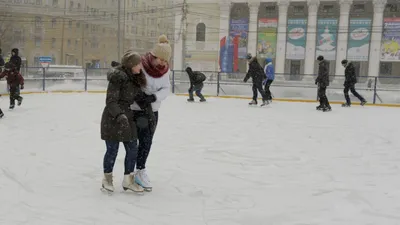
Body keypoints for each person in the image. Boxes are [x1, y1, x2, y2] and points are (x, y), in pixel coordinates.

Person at [100, 51, 148, 193]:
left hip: (127, 117)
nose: (141, 66)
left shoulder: (134, 78)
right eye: (139, 64)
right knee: (112, 150)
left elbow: (138, 97)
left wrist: (148, 104)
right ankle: (107, 179)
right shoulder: (118, 78)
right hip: (112, 118)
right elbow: (110, 101)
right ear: (132, 65)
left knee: (132, 148)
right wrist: (119, 115)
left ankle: (128, 181)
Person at [130, 35, 172, 192]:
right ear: (154, 56)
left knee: (147, 142)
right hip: (137, 109)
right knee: (133, 142)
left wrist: (154, 97)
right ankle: (130, 172)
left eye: (165, 61)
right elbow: (132, 83)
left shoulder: (165, 71)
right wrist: (140, 97)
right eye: (161, 60)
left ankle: (140, 170)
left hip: (153, 110)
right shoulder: (140, 64)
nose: (163, 63)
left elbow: (166, 88)